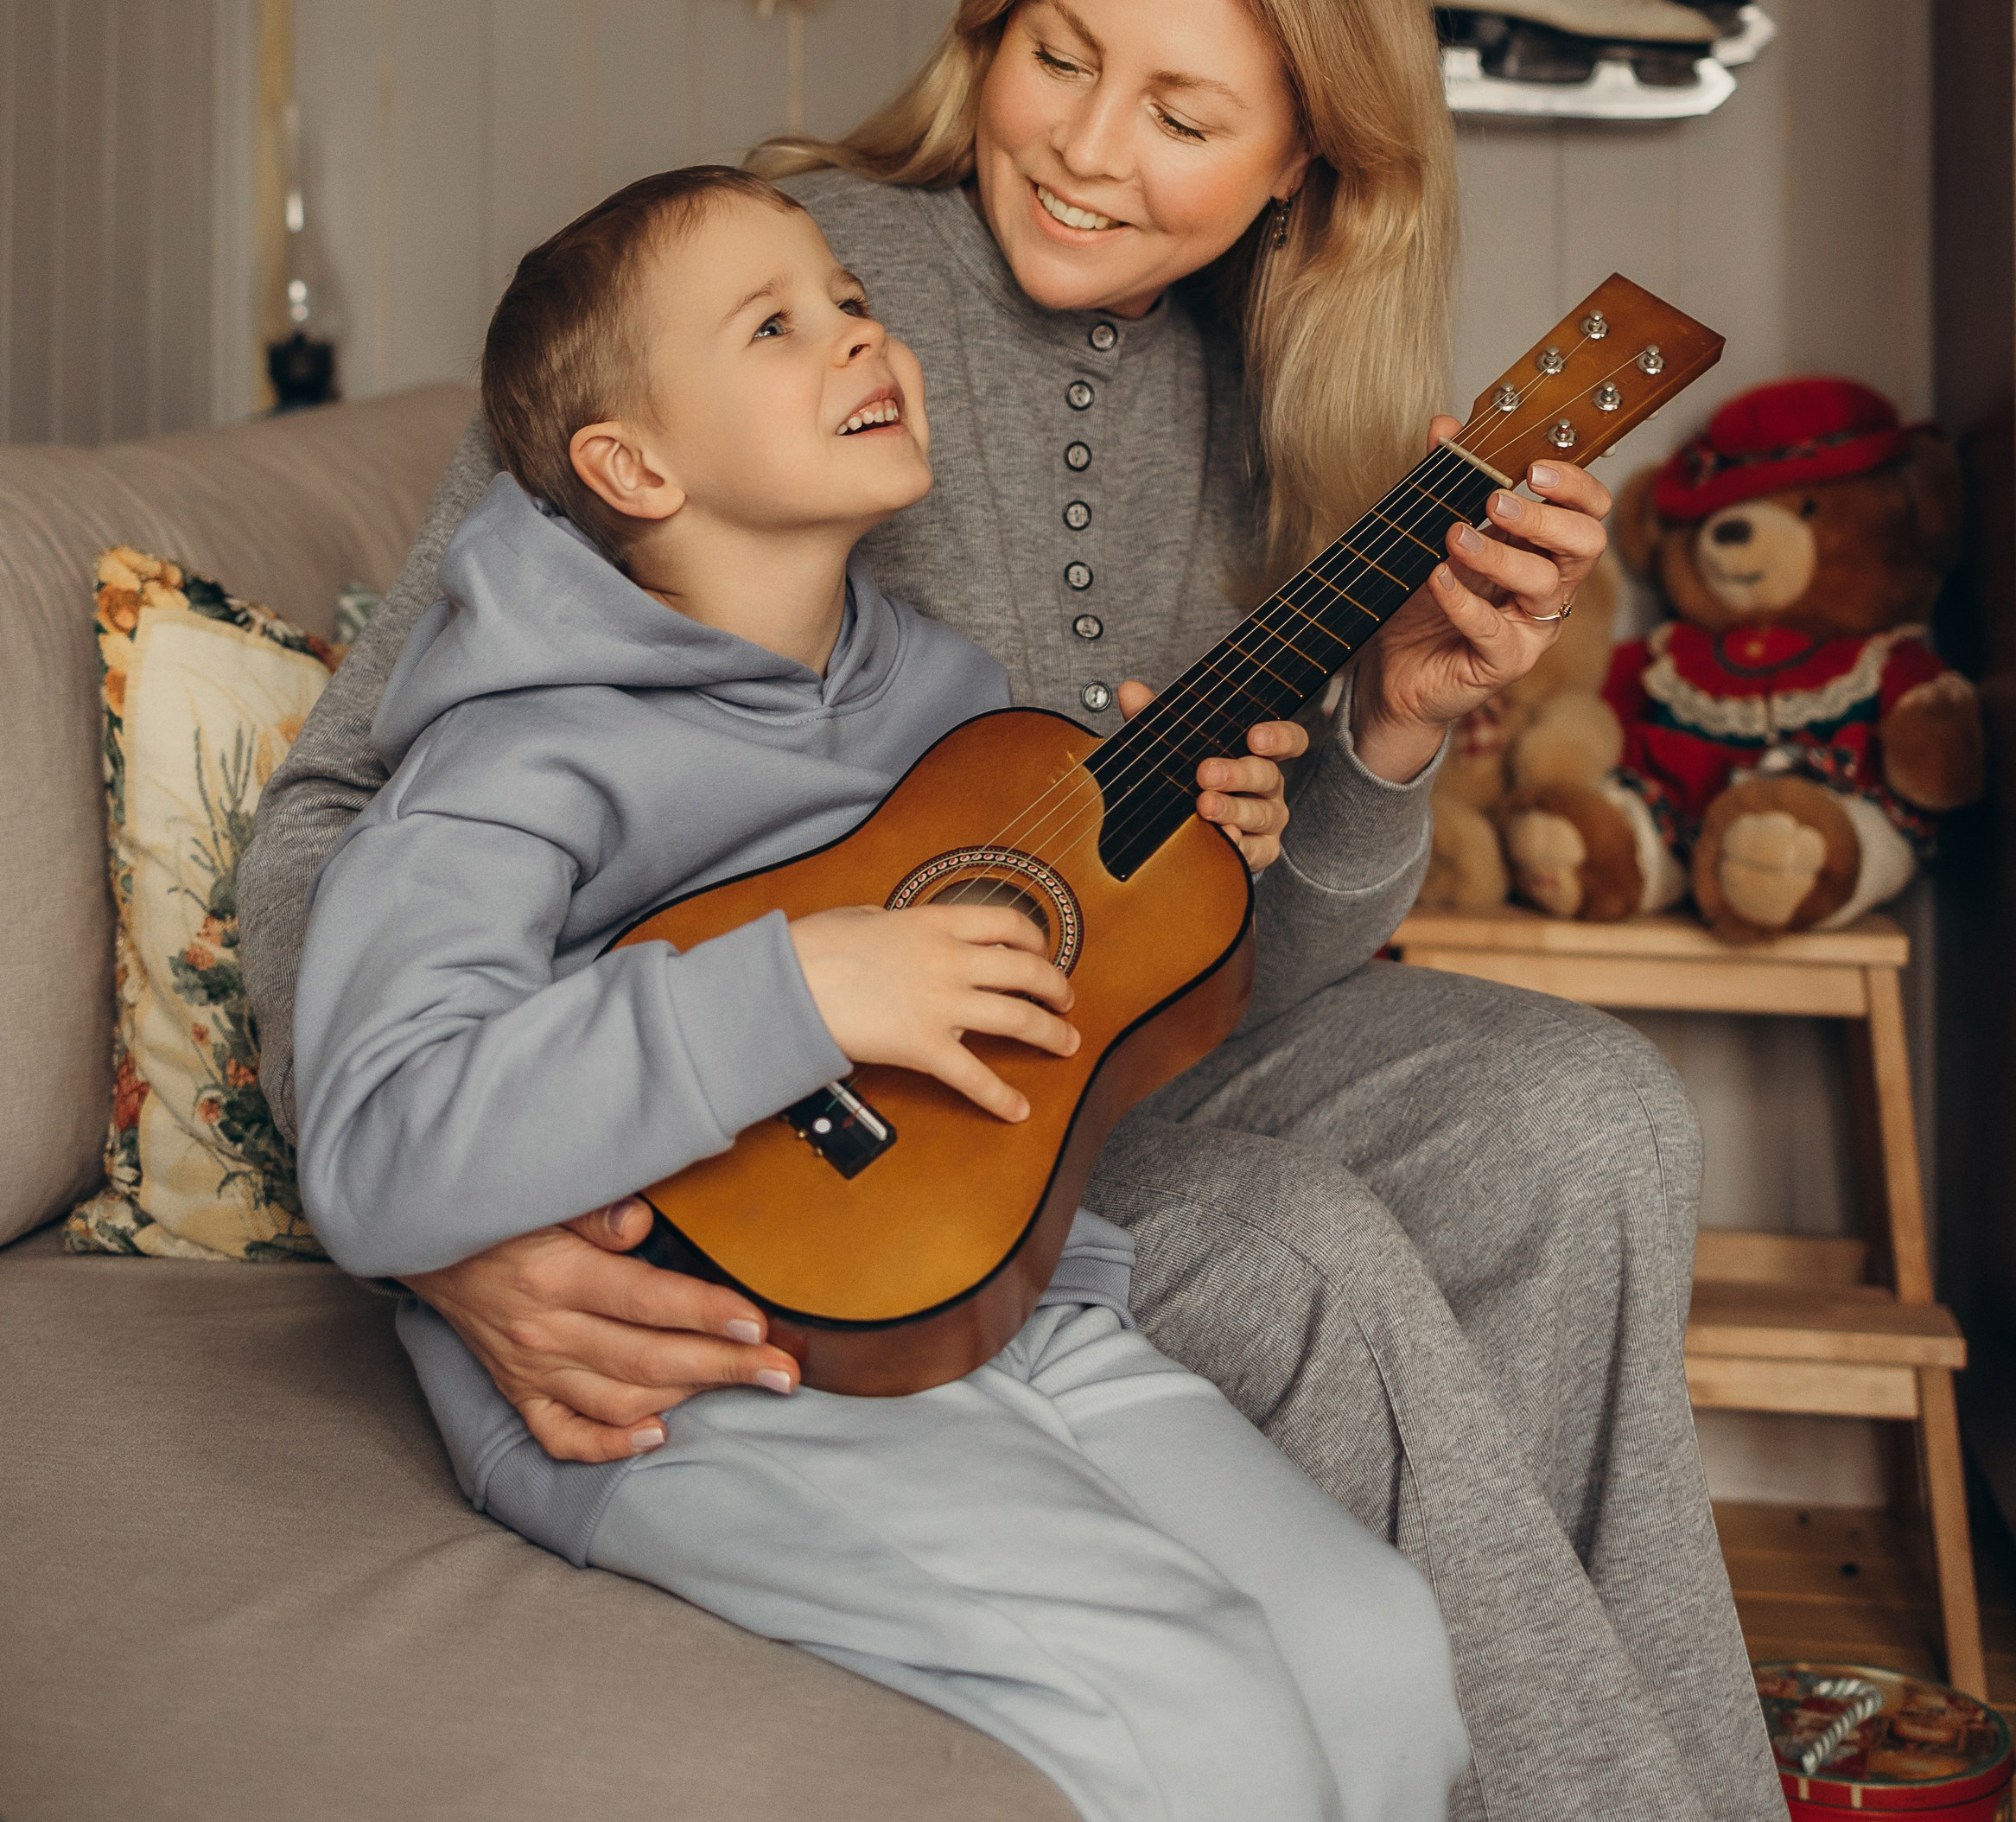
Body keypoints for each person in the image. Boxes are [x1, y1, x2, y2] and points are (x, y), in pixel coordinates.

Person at [242, 0, 1781, 1822]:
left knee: (1592, 1116)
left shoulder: (1274, 379)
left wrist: (1386, 735)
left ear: (1309, 157)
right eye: (1061, 56)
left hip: (1100, 1059)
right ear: (994, 19)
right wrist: (455, 1235)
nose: (1083, 144)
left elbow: (1239, 970)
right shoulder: (772, 298)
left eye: (1184, 115)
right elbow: (362, 793)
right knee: (1304, 1248)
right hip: (858, 1153)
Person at [293, 168, 1472, 1822]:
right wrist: (793, 989)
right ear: (631, 464)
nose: (860, 335)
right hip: (700, 1375)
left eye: (850, 299)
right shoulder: (508, 761)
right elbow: (375, 1140)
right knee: (1193, 1703)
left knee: (1377, 1641)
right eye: (776, 324)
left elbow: (1022, 1003)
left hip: (997, 1298)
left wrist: (1189, 862)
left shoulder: (954, 704)